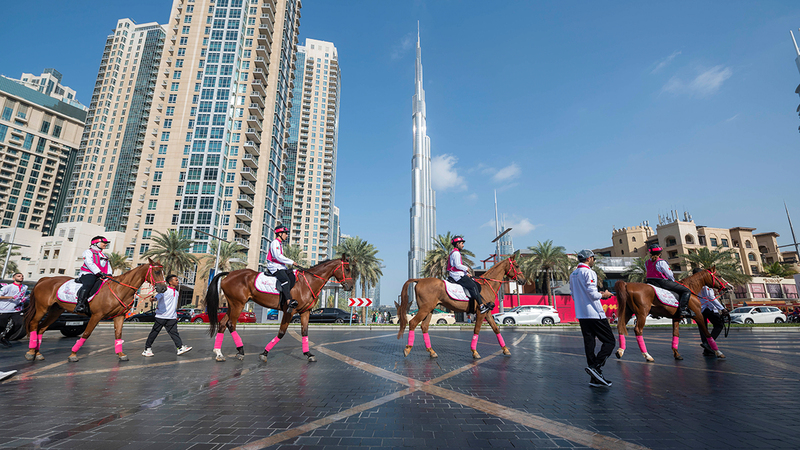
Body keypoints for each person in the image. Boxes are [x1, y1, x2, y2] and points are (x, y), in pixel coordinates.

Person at [570, 249, 615, 387]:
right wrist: (604, 295)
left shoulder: (573, 274)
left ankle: (595, 378)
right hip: (594, 313)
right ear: (589, 258)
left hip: (582, 314)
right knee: (610, 342)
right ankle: (595, 367)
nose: (594, 261)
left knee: (589, 343)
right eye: (593, 259)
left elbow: (574, 294)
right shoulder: (589, 272)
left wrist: (596, 293)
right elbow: (592, 294)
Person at [142, 274, 192, 357]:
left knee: (174, 333)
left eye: (177, 280)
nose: (177, 281)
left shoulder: (176, 292)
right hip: (161, 316)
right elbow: (157, 297)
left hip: (171, 317)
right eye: (175, 280)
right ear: (170, 282)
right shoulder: (164, 290)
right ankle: (147, 349)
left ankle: (180, 348)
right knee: (154, 333)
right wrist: (153, 299)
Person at [645, 243, 693, 318]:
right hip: (661, 282)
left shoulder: (646, 262)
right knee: (686, 291)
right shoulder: (661, 262)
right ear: (660, 253)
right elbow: (669, 274)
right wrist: (673, 281)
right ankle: (683, 309)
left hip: (650, 282)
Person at [448, 236, 492, 314]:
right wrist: (466, 268)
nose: (463, 245)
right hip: (457, 275)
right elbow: (457, 265)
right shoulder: (456, 253)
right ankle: (481, 306)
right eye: (462, 243)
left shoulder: (454, 253)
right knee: (473, 286)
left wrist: (466, 274)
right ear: (457, 244)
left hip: (458, 274)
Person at [265, 225, 299, 315]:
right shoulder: (275, 243)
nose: (287, 235)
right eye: (285, 233)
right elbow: (278, 257)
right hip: (274, 266)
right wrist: (291, 262)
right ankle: (288, 302)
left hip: (281, 266)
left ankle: (288, 296)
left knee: (292, 276)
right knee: (286, 280)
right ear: (280, 234)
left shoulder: (279, 244)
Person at [74, 236, 111, 315]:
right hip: (88, 273)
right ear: (96, 243)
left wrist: (109, 274)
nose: (105, 244)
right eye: (103, 243)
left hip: (101, 275)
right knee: (89, 283)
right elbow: (89, 263)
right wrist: (98, 272)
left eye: (106, 243)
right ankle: (80, 304)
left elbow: (108, 266)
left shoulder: (105, 255)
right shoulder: (88, 252)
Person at [693, 268, 726, 355]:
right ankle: (708, 345)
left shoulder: (693, 284)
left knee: (703, 329)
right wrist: (722, 308)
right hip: (708, 308)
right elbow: (710, 297)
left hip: (699, 309)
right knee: (719, 325)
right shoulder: (705, 284)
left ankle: (706, 349)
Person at [0, 273, 26, 348]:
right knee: (1, 326)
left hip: (16, 309)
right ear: (13, 279)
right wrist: (11, 297)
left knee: (19, 323)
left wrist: (23, 299)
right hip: (4, 309)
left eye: (22, 276)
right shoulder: (8, 287)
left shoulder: (25, 287)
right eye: (19, 276)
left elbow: (21, 296)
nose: (21, 277)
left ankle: (5, 338)